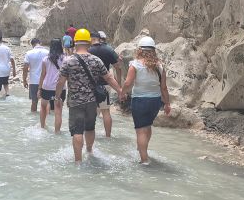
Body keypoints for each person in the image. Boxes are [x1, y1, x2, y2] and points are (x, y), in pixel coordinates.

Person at [55, 29, 122, 163]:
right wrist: (120, 91)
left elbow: (61, 81)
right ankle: (90, 152)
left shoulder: (68, 61)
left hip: (75, 102)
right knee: (90, 127)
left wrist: (57, 97)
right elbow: (109, 78)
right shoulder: (96, 60)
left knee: (77, 131)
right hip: (92, 101)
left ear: (75, 42)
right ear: (89, 43)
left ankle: (78, 160)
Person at [119, 36, 171, 165]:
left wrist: (122, 93)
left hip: (140, 101)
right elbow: (164, 87)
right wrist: (167, 103)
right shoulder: (160, 66)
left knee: (140, 130)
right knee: (147, 126)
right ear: (153, 50)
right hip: (155, 101)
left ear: (139, 50)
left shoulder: (135, 64)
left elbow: (128, 83)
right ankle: (144, 150)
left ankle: (144, 159)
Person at [88, 31, 122, 137]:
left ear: (91, 38)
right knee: (106, 111)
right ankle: (108, 136)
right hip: (105, 85)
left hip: (90, 86)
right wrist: (118, 81)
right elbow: (118, 66)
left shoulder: (88, 50)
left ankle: (90, 135)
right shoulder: (108, 49)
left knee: (90, 112)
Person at [38, 39, 66, 132]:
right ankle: (57, 132)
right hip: (61, 87)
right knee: (58, 111)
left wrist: (39, 88)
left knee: (43, 106)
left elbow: (43, 74)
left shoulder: (46, 59)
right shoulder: (65, 59)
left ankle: (42, 127)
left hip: (47, 86)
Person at [22, 38, 49, 113]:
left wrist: (24, 80)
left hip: (34, 81)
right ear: (40, 42)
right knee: (47, 102)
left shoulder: (29, 53)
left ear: (32, 45)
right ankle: (47, 120)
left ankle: (33, 120)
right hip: (45, 81)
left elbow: (25, 68)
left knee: (34, 102)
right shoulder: (47, 52)